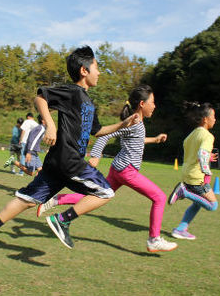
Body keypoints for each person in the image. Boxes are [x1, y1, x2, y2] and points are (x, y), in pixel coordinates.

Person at [0, 45, 139, 258]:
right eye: (97, 68)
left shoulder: (88, 102)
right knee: (106, 191)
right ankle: (62, 220)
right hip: (69, 159)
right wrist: (51, 125)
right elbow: (40, 97)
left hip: (58, 162)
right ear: (84, 71)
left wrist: (123, 124)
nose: (99, 73)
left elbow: (98, 131)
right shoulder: (72, 92)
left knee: (27, 199)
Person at [37, 85, 177, 252]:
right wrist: (96, 154)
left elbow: (137, 140)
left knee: (96, 195)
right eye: (152, 102)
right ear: (142, 103)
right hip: (127, 170)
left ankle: (58, 199)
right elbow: (108, 135)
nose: (154, 106)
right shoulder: (134, 121)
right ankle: (154, 239)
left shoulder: (136, 122)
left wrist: (154, 140)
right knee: (160, 197)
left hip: (118, 169)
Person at [167, 102, 219, 240]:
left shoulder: (191, 135)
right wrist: (207, 170)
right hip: (197, 178)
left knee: (197, 204)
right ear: (205, 119)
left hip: (187, 174)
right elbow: (201, 153)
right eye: (213, 116)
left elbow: (195, 154)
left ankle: (180, 229)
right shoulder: (208, 136)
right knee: (213, 205)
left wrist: (208, 157)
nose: (215, 119)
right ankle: (184, 192)